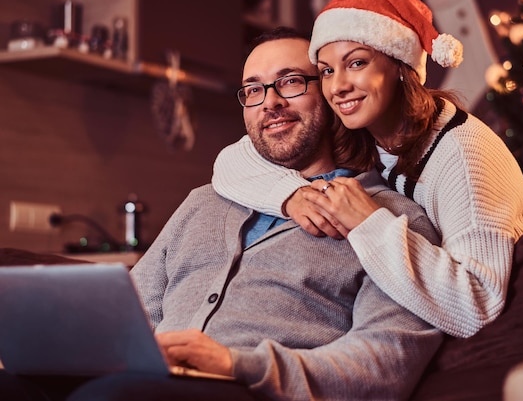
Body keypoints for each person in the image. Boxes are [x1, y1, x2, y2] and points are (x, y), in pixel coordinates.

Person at [0, 27, 443, 401]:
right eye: (254, 89)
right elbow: (133, 311)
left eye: (290, 82)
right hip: (148, 379)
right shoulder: (204, 202)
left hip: (248, 389)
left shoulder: (391, 221)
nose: (270, 102)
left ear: (330, 92)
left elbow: (387, 361)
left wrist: (236, 363)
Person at [211, 0, 523, 339]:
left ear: (399, 65)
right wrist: (291, 196)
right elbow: (235, 158)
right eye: (326, 70)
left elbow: (478, 304)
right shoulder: (364, 129)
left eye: (355, 63)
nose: (337, 85)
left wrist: (368, 221)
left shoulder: (461, 154)